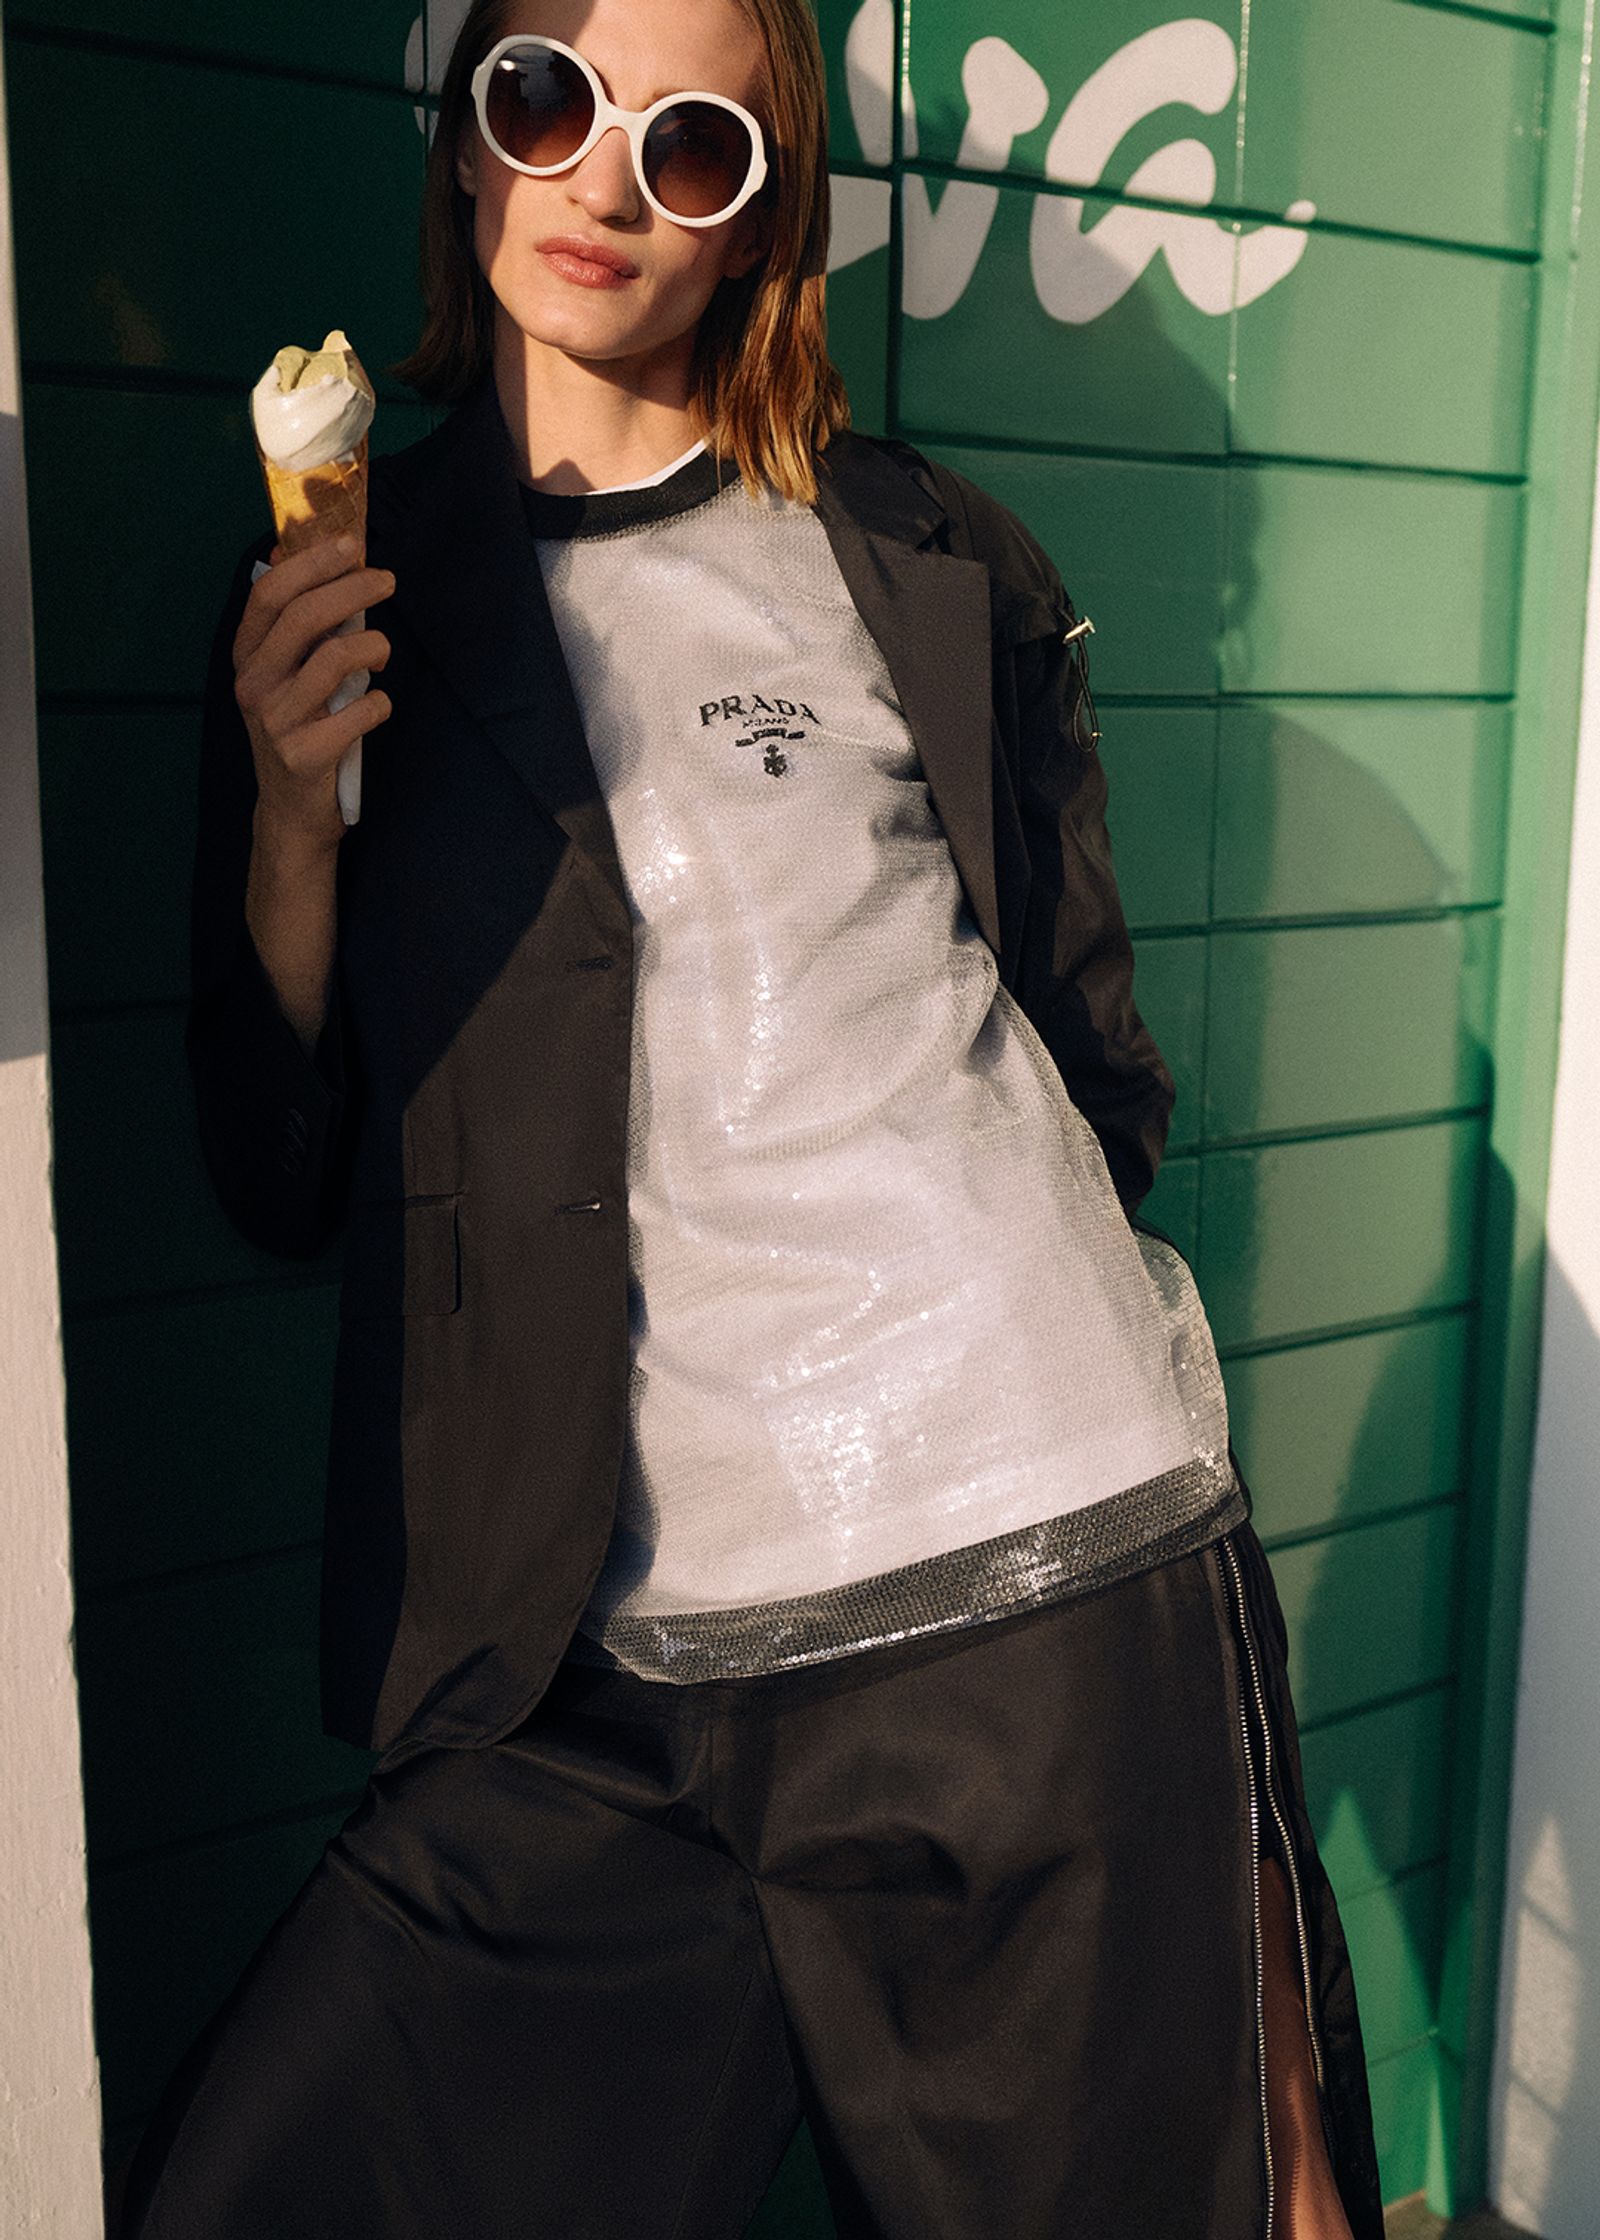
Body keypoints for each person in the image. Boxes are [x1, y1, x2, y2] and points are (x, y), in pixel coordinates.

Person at [121, 0, 1387, 2233]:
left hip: (1032, 1575)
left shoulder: (925, 558)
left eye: (689, 146)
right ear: (469, 140)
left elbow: (1085, 1062)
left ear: (758, 220)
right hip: (591, 1675)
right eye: (548, 102)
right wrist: (294, 833)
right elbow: (277, 1163)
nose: (604, 181)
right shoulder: (333, 591)